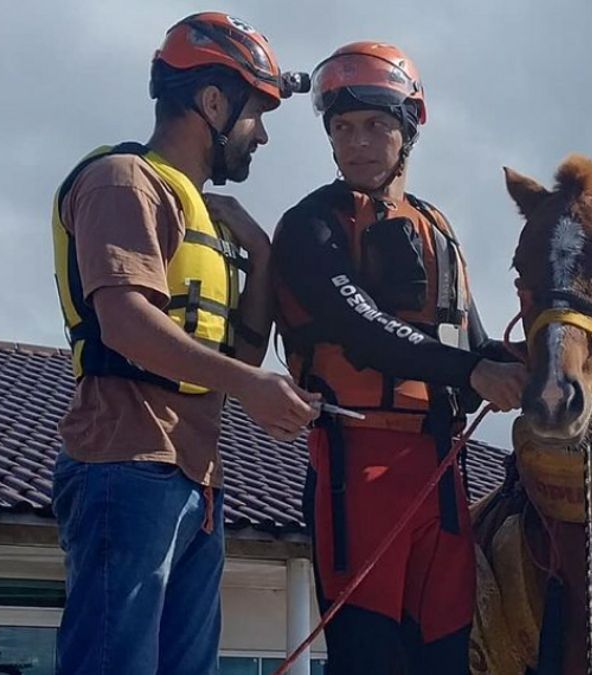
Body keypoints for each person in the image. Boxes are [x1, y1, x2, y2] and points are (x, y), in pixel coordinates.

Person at [49, 11, 318, 675]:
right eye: (258, 115)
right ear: (214, 102)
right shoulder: (124, 181)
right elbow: (127, 323)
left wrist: (256, 248)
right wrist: (249, 387)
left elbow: (240, 358)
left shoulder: (206, 213)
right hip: (127, 464)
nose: (261, 137)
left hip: (195, 477)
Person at [270, 41, 527, 675]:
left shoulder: (435, 227)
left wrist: (546, 358)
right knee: (369, 658)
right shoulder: (310, 226)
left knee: (445, 655)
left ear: (408, 129)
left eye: (376, 126)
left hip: (441, 470)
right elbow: (360, 328)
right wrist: (471, 371)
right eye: (343, 128)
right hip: (355, 466)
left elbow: (473, 344)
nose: (357, 143)